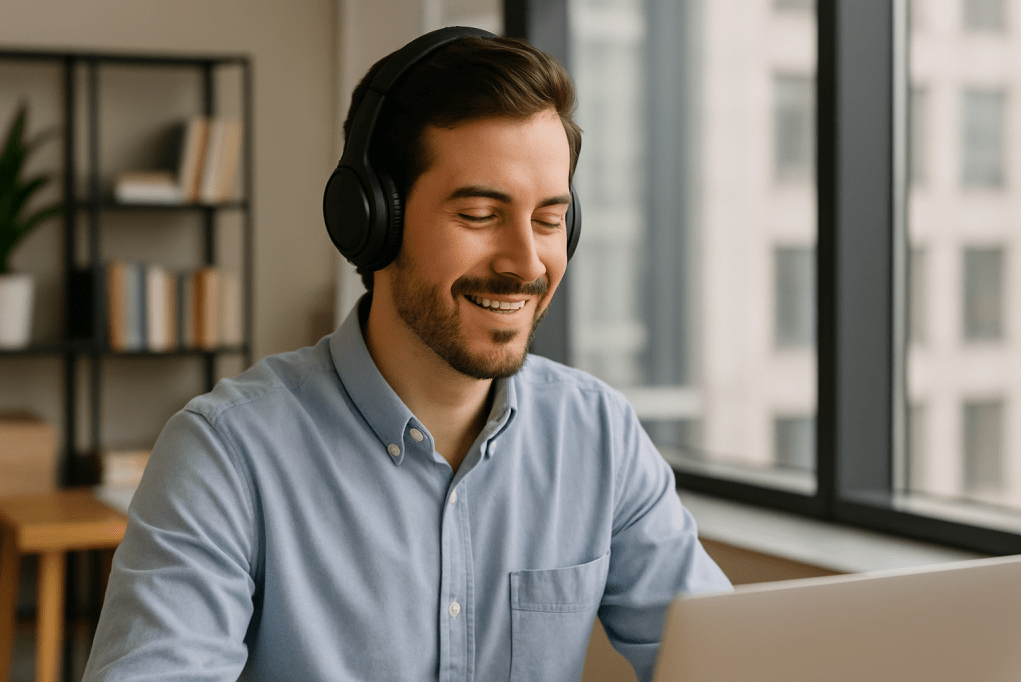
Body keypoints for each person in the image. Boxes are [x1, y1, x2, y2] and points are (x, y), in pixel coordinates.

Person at [83, 28, 730, 682]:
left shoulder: (599, 436)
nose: (527, 262)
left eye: (548, 219)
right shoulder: (225, 454)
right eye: (480, 213)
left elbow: (730, 661)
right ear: (370, 219)